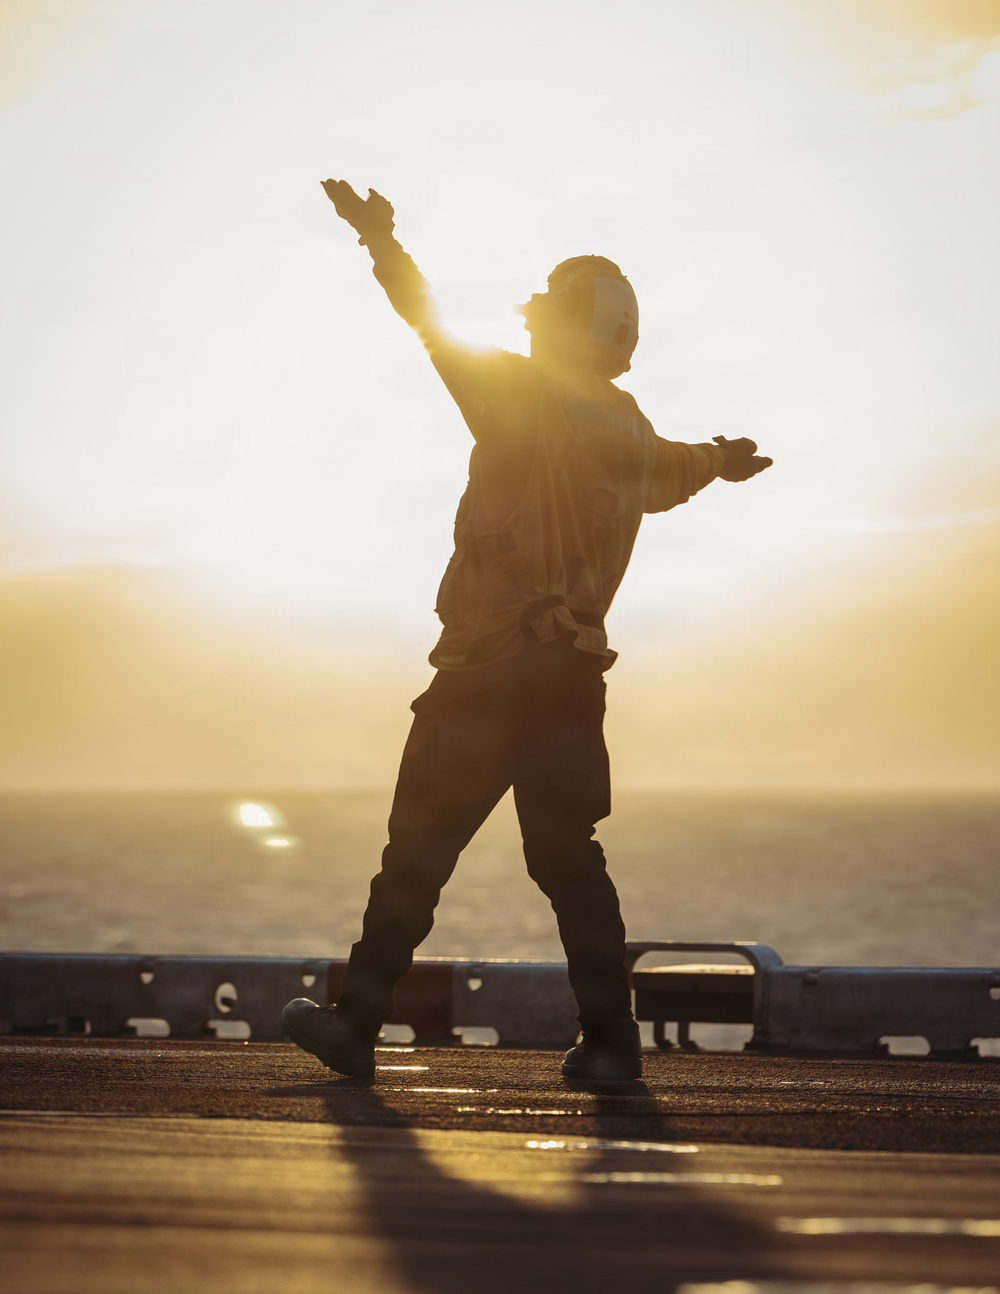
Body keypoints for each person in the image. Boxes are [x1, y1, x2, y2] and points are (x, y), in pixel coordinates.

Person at [281, 180, 772, 1083]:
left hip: (490, 668)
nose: (533, 313)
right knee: (568, 860)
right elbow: (680, 469)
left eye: (548, 304)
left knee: (416, 855)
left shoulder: (518, 394)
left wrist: (380, 239)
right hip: (572, 678)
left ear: (568, 323)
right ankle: (612, 1043)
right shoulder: (631, 428)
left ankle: (356, 1027)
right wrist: (725, 459)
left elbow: (425, 319)